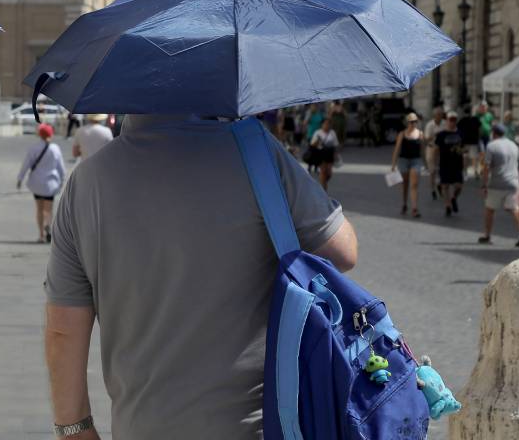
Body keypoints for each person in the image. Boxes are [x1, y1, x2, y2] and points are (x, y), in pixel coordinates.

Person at [43, 115, 358, 438]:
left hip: (142, 427)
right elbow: (344, 251)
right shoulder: (255, 152)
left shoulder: (86, 183)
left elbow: (62, 330)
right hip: (256, 427)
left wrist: (75, 430)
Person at [481, 124, 519, 247]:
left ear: (494, 133)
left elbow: (486, 167)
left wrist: (484, 184)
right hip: (513, 183)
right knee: (515, 209)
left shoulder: (491, 146)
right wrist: (518, 180)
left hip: (496, 183)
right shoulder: (514, 145)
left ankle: (487, 235)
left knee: (490, 209)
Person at [18, 123, 67, 243]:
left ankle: (40, 234)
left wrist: (20, 178)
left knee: (39, 209)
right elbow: (61, 168)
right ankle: (48, 226)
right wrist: (62, 179)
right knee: (48, 209)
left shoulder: (34, 148)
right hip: (50, 183)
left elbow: (26, 164)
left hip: (37, 183)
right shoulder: (55, 148)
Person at [391, 112, 425, 218]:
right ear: (407, 122)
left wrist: (426, 164)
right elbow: (397, 150)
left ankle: (415, 208)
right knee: (405, 184)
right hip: (403, 161)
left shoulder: (420, 134)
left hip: (416, 160)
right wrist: (393, 164)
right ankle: (404, 204)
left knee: (414, 184)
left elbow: (423, 150)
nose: (413, 124)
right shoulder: (402, 134)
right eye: (411, 122)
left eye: (415, 121)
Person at [436, 113, 465, 217]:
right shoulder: (441, 135)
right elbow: (436, 149)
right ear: (447, 120)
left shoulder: (461, 133)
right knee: (445, 185)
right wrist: (434, 164)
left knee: (459, 186)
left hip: (457, 164)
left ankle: (453, 198)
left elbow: (464, 148)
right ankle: (447, 205)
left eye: (454, 120)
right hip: (444, 163)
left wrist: (461, 151)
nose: (452, 122)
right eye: (450, 119)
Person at [309, 118, 339, 190]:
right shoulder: (317, 132)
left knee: (329, 173)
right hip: (320, 154)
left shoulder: (332, 133)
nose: (326, 125)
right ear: (322, 125)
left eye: (328, 124)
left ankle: (322, 183)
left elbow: (335, 145)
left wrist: (335, 154)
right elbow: (312, 145)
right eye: (325, 124)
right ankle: (323, 190)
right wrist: (318, 140)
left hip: (329, 154)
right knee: (323, 171)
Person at [424, 107, 446, 200]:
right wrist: (436, 135)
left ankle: (440, 185)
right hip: (431, 148)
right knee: (432, 171)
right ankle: (433, 189)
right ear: (434, 116)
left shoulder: (444, 123)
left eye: (440, 115)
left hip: (442, 149)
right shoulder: (430, 125)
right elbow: (426, 139)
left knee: (442, 170)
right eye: (437, 115)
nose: (439, 117)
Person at [457, 107, 483, 177]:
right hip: (474, 141)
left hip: (464, 142)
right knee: (474, 157)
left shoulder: (462, 120)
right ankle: (476, 171)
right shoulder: (476, 119)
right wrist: (479, 138)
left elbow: (458, 131)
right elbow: (480, 130)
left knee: (465, 157)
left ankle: (464, 171)